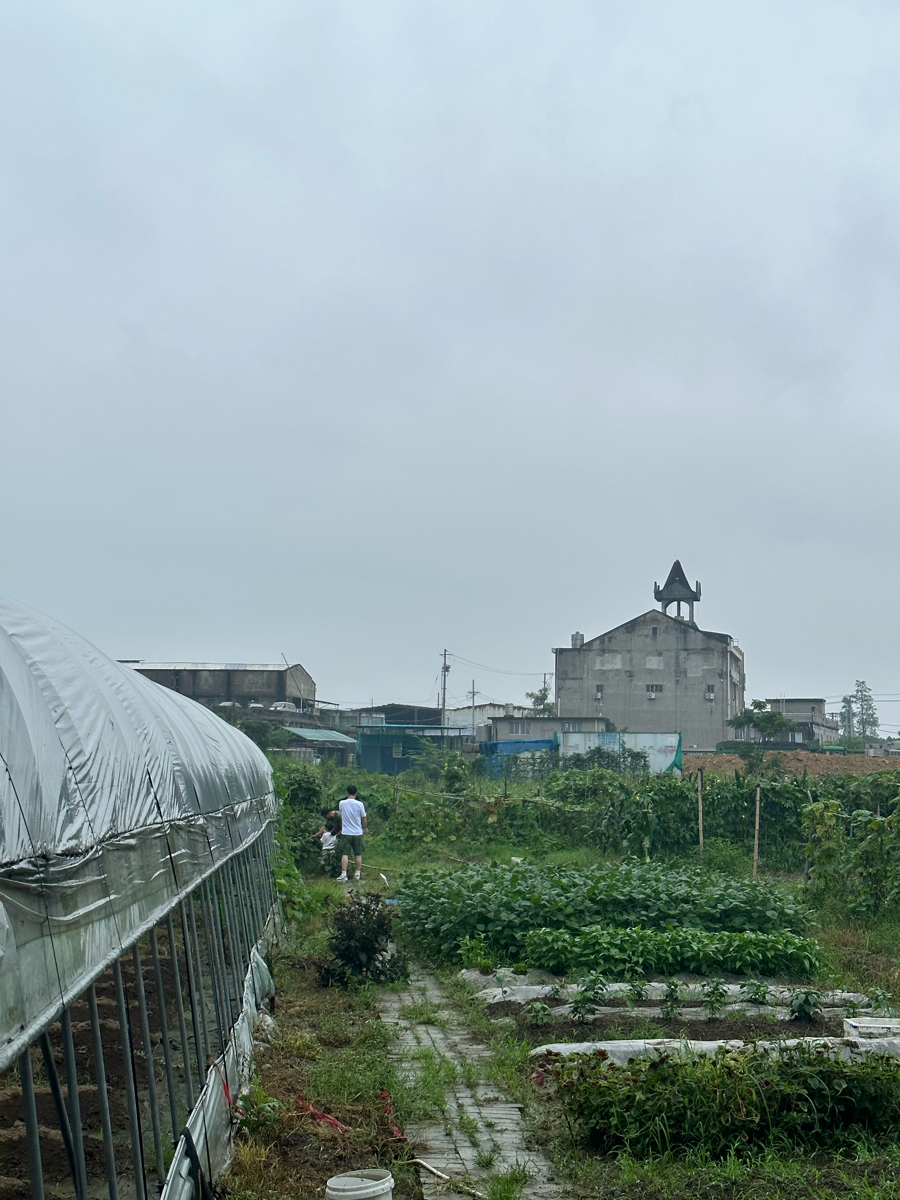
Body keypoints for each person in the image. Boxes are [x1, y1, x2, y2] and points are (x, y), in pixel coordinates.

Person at [337, 785, 367, 883]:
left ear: (347, 793)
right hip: (357, 832)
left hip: (346, 832)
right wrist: (364, 828)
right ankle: (357, 874)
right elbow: (364, 817)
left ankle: (344, 875)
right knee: (358, 853)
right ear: (356, 793)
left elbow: (341, 816)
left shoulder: (342, 803)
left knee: (345, 853)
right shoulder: (360, 804)